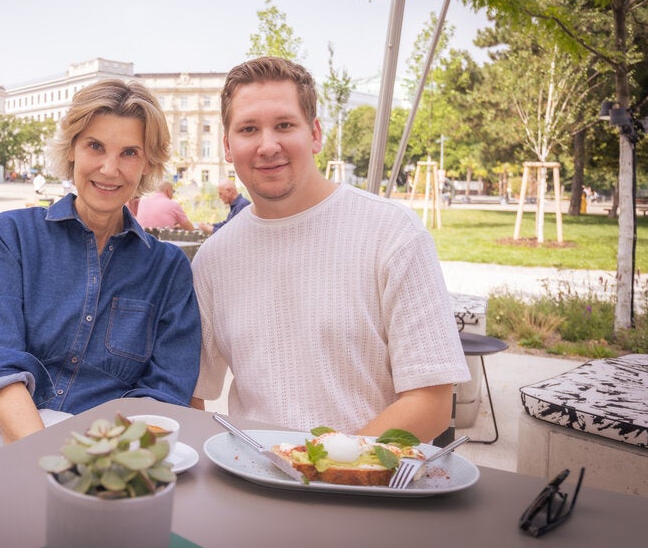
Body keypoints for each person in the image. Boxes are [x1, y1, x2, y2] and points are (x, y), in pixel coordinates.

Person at [0, 79, 201, 480]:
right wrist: (56, 466)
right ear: (71, 149)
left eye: (129, 153)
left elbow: (164, 394)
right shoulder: (12, 235)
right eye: (95, 146)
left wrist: (98, 468)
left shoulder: (168, 269)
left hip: (110, 460)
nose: (109, 168)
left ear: (148, 164)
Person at [191, 57, 469, 441]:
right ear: (227, 145)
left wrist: (327, 468)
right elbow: (192, 393)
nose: (267, 145)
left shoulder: (392, 233)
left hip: (369, 487)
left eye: (284, 125)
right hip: (254, 478)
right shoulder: (213, 259)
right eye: (248, 129)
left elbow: (431, 402)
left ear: (316, 133)